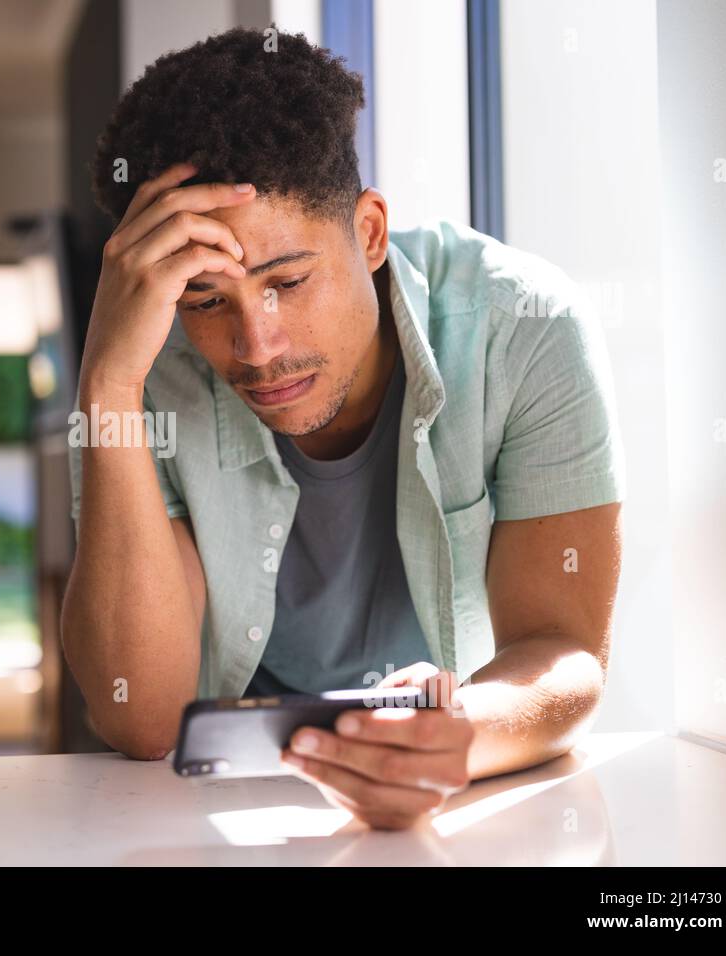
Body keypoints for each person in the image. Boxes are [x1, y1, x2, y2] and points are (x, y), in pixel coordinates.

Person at [62, 27, 625, 830]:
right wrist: (108, 385)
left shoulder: (523, 325)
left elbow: (562, 653)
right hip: (227, 799)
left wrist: (453, 737)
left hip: (466, 763)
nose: (259, 347)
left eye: (287, 280)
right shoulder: (140, 363)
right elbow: (142, 716)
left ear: (368, 233)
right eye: (206, 301)